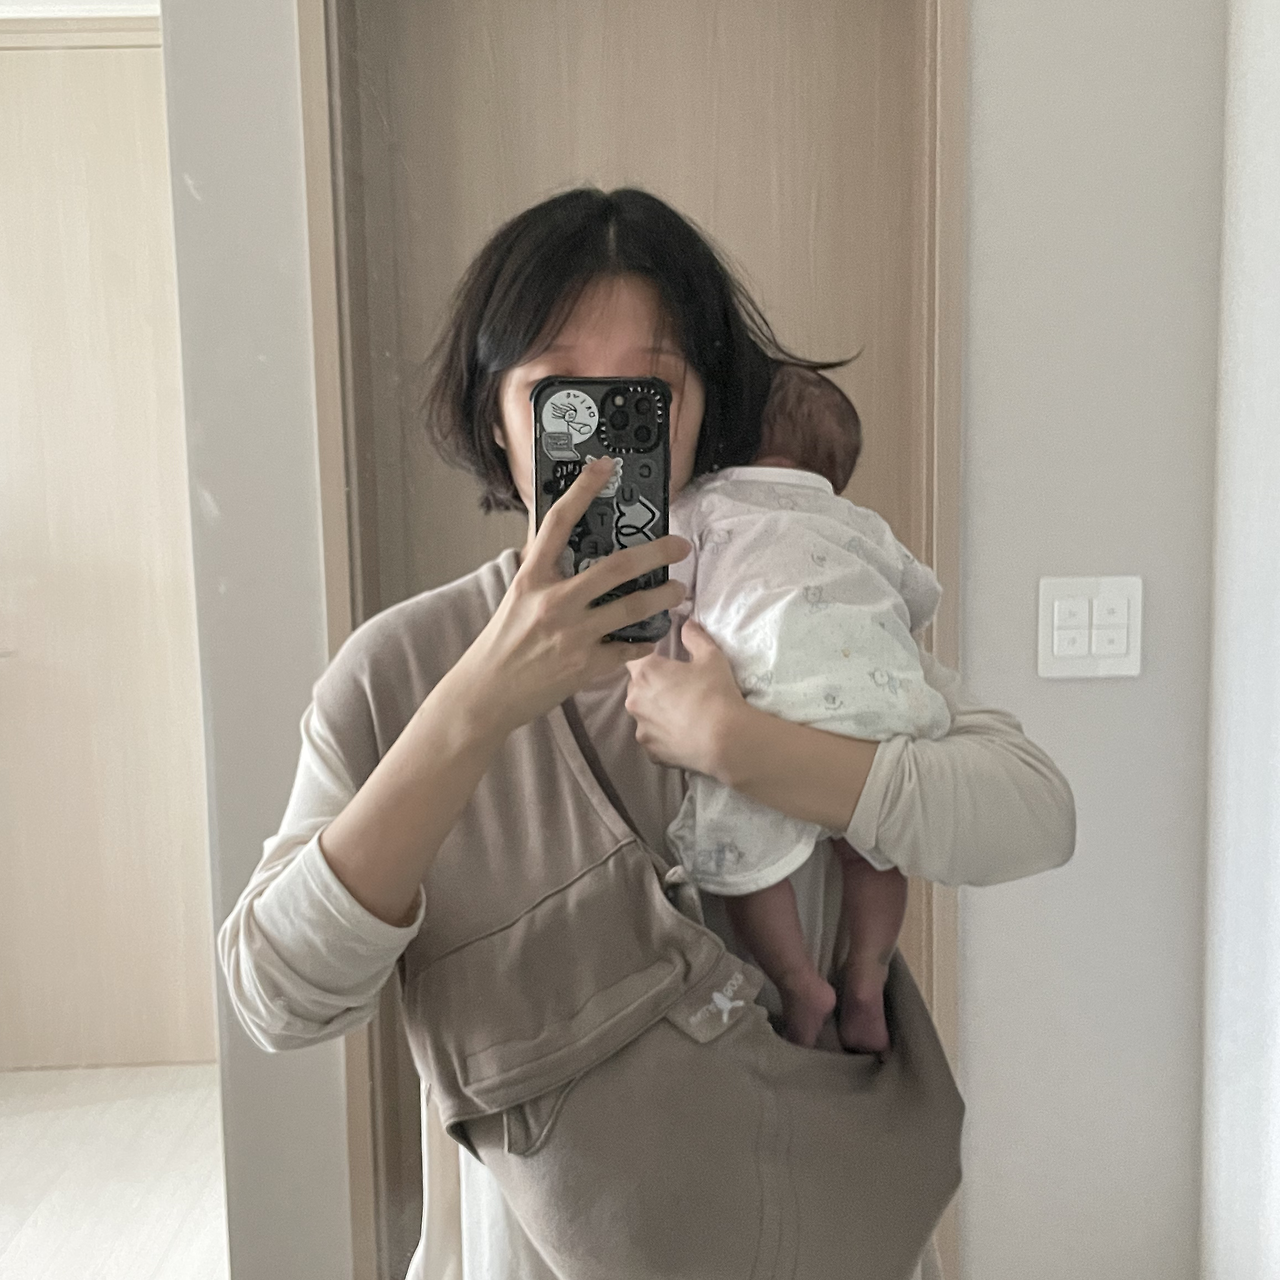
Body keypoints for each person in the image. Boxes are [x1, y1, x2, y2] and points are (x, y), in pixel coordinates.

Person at [218, 186, 1076, 1280]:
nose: (611, 426)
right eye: (562, 390)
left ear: (703, 408)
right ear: (498, 417)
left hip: (820, 1232)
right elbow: (280, 997)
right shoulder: (400, 669)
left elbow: (1032, 816)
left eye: (651, 389)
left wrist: (746, 748)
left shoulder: (793, 608)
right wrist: (476, 702)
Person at [666, 364, 949, 1053]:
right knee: (875, 852)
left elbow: (662, 585)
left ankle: (799, 982)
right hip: (877, 711)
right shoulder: (861, 522)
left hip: (770, 712)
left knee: (743, 856)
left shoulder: (706, 504)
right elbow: (921, 596)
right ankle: (867, 973)